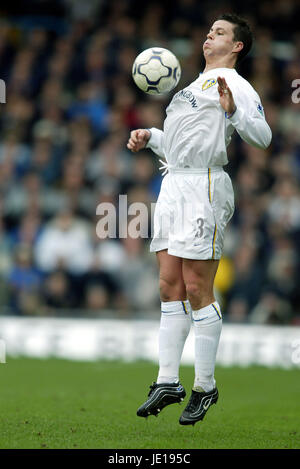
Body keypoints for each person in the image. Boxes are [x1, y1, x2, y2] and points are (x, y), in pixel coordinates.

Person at [127, 13, 272, 426]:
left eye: (221, 32)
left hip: (205, 187)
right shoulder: (191, 86)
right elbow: (180, 144)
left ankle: (205, 386)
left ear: (237, 46)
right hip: (174, 184)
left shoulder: (237, 86)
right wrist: (150, 137)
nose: (211, 35)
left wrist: (233, 113)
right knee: (168, 283)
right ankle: (167, 381)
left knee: (196, 286)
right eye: (210, 31)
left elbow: (263, 137)